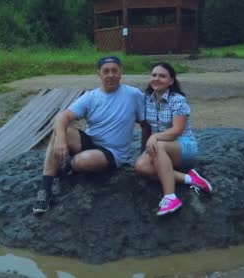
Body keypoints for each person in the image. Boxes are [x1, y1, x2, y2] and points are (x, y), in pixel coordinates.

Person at [33, 56, 149, 214]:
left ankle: (67, 165)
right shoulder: (91, 96)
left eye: (114, 70)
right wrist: (60, 139)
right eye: (106, 71)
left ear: (121, 72)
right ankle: (44, 190)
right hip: (89, 141)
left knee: (82, 162)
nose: (110, 75)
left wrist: (144, 151)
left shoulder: (134, 95)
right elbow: (63, 116)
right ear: (99, 74)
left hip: (112, 152)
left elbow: (145, 125)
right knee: (61, 130)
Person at [135, 62, 212, 216]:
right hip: (160, 148)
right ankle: (190, 179)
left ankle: (170, 197)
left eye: (162, 76)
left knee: (159, 146)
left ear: (171, 81)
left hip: (183, 147)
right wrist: (144, 150)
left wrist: (155, 137)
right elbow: (146, 128)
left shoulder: (177, 99)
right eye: (154, 75)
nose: (156, 78)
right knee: (141, 167)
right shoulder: (146, 99)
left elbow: (177, 130)